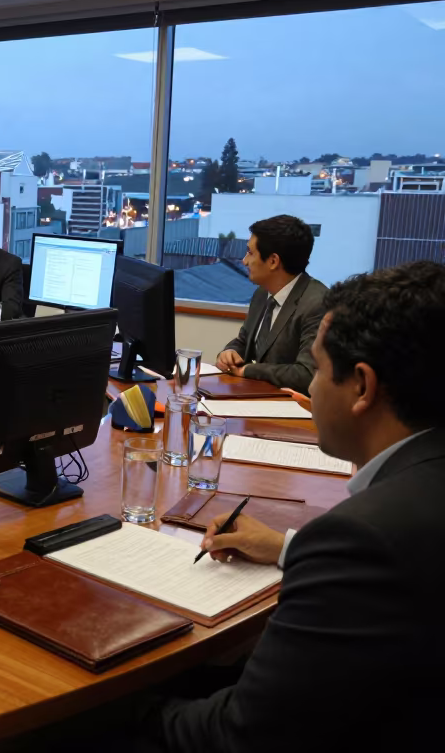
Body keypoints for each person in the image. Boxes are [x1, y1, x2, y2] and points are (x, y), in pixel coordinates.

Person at [149, 260, 445, 751]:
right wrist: (287, 546)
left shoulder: (365, 536)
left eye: (321, 369)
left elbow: (241, 734)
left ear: (363, 387)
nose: (309, 389)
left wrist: (112, 710)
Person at [215, 215, 326, 392]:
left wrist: (248, 370)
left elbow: (307, 374)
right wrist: (229, 353)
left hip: (293, 411)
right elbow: (244, 341)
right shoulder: (262, 293)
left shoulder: (317, 304)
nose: (244, 261)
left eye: (250, 253)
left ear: (273, 261)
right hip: (255, 398)